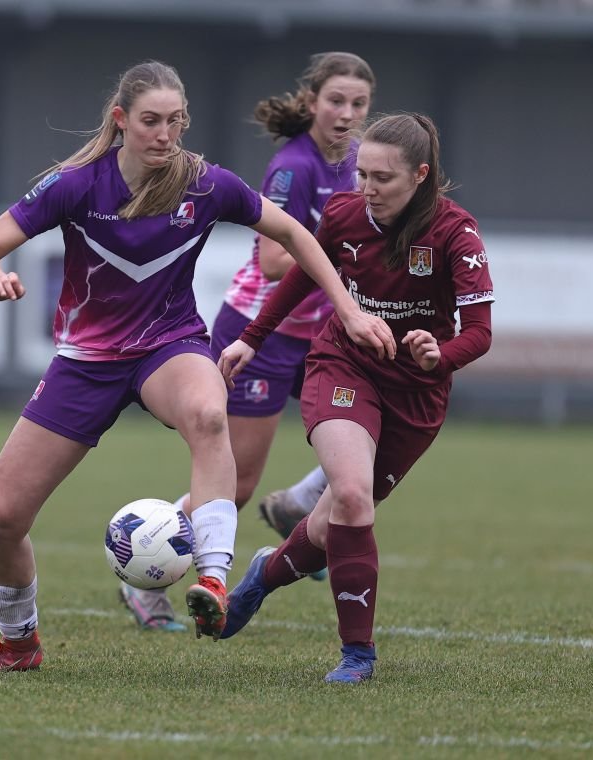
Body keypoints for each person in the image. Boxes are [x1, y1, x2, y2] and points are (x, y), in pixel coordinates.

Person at [0, 60, 395, 671]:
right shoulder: (75, 184)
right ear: (121, 121)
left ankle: (212, 579)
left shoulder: (207, 184)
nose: (165, 135)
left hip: (170, 344)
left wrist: (347, 310)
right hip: (86, 362)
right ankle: (18, 644)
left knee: (208, 413)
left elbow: (296, 237)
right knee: (0, 521)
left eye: (175, 122)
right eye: (150, 122)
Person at [217, 113, 494, 684]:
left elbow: (480, 331)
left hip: (416, 396)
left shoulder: (455, 234)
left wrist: (439, 355)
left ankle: (264, 574)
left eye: (382, 178)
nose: (366, 189)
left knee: (332, 524)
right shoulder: (344, 214)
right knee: (350, 494)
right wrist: (252, 338)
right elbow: (300, 277)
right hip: (343, 366)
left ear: (420, 175)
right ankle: (358, 654)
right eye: (360, 174)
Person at [119, 51, 377, 632]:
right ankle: (142, 563)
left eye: (358, 104)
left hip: (326, 333)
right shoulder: (294, 167)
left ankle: (300, 503)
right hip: (263, 332)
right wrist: (339, 249)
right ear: (311, 102)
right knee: (233, 487)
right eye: (336, 101)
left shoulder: (362, 163)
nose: (347, 114)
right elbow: (271, 259)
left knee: (384, 421)